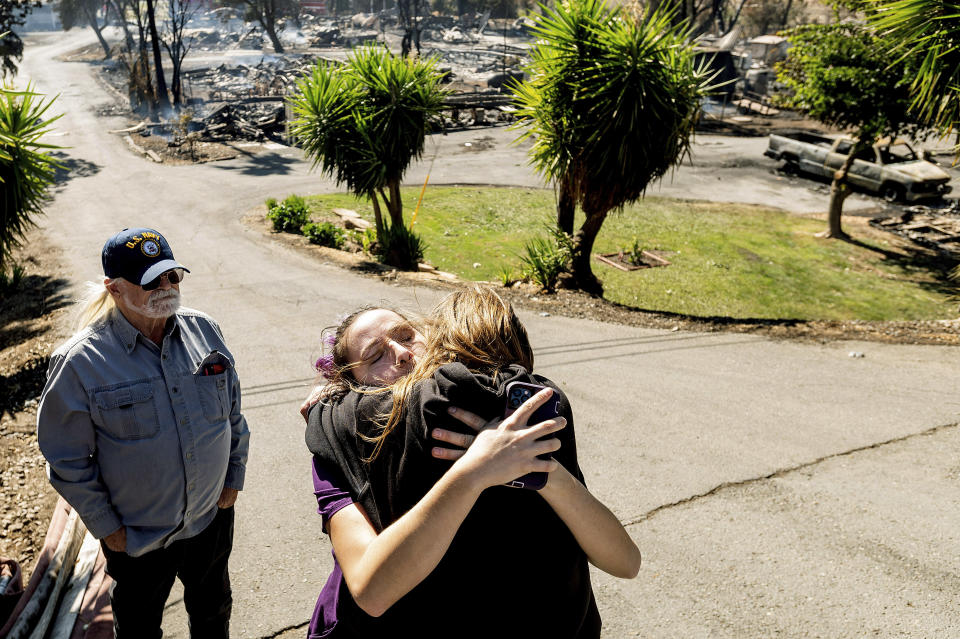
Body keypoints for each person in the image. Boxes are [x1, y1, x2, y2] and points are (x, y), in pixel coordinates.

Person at [304, 288, 640, 638]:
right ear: (351, 385)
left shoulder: (515, 419)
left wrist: (541, 469)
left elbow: (626, 562)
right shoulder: (345, 437)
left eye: (406, 335)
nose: (402, 353)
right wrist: (474, 471)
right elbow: (371, 591)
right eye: (376, 357)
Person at [37, 228, 250, 639]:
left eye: (173, 275)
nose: (167, 287)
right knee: (138, 627)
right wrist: (108, 528)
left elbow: (234, 411)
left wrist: (232, 481)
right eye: (151, 280)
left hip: (209, 521)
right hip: (136, 540)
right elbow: (65, 458)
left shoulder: (204, 330)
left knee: (213, 612)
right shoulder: (80, 362)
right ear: (114, 288)